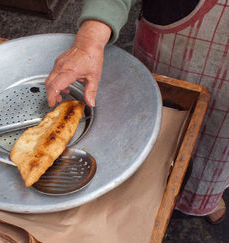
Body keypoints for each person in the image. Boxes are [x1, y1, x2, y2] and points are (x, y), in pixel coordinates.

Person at [45, 0, 228, 224]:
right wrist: (89, 42)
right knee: (151, 137)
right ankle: (145, 189)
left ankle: (203, 197)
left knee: (219, 153)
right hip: (172, 50)